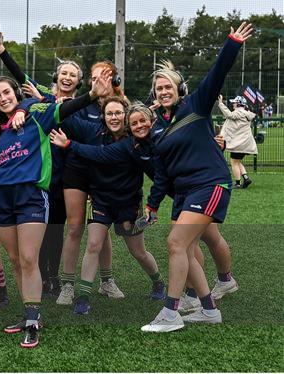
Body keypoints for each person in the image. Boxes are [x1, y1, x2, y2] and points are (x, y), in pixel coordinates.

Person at [141, 22, 253, 333]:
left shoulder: (196, 105)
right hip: (184, 193)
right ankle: (208, 309)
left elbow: (217, 72)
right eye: (158, 88)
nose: (163, 92)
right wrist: (151, 206)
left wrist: (232, 43)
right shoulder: (158, 129)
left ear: (178, 89)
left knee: (176, 242)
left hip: (210, 184)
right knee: (186, 250)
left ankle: (171, 312)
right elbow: (162, 174)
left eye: (168, 87)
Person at [0, 70, 112, 348]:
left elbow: (65, 106)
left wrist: (92, 95)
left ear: (16, 94)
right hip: (1, 198)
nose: (3, 98)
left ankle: (33, 320)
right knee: (16, 259)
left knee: (30, 258)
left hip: (31, 195)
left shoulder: (35, 115)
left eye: (7, 92)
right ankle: (28, 313)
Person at [50, 98, 166, 315]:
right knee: (93, 244)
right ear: (103, 116)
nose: (114, 117)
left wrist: (69, 144)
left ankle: (158, 282)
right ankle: (83, 297)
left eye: (118, 113)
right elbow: (66, 118)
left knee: (138, 252)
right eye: (109, 113)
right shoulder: (95, 133)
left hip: (128, 204)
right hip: (101, 201)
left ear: (126, 116)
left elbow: (102, 155)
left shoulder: (134, 142)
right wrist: (51, 99)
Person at [57, 61, 125, 305]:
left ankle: (106, 281)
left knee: (101, 228)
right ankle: (67, 285)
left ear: (115, 81)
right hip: (77, 169)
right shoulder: (80, 102)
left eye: (105, 77)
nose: (100, 81)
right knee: (74, 228)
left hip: (103, 173)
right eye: (95, 77)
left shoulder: (120, 107)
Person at [218, 95, 257, 189]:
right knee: (237, 162)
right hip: (245, 143)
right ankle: (246, 178)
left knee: (234, 162)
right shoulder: (246, 113)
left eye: (234, 103)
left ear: (239, 104)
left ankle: (238, 183)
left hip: (238, 143)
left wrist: (220, 103)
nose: (233, 104)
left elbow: (229, 115)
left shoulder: (239, 112)